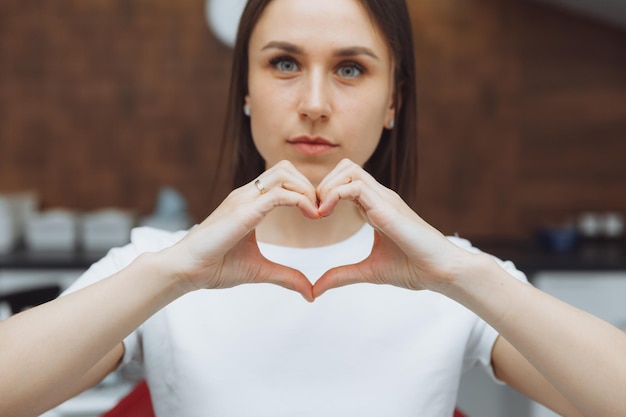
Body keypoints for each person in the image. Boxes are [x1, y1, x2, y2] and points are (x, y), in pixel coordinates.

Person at [1, 0, 625, 416]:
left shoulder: (449, 275)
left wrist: (467, 274)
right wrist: (171, 272)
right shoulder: (159, 267)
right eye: (284, 64)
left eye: (351, 68)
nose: (315, 102)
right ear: (244, 91)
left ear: (393, 102)